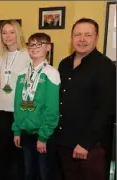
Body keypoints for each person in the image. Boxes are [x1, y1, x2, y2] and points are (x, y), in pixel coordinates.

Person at [57, 18, 116, 180]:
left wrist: (85, 143)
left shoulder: (106, 66)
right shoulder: (64, 64)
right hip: (64, 143)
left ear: (96, 37)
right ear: (72, 37)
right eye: (77, 34)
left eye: (87, 35)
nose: (82, 39)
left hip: (90, 147)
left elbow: (106, 109)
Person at [13, 33, 60, 180]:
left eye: (39, 44)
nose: (34, 48)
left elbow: (52, 109)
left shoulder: (51, 73)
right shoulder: (22, 74)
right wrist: (16, 129)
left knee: (44, 174)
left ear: (48, 47)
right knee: (28, 172)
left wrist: (43, 136)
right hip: (25, 132)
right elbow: (17, 104)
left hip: (42, 133)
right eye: (31, 44)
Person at [0, 19, 30, 180]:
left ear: (18, 33)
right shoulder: (0, 56)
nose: (7, 36)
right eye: (4, 32)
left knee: (20, 154)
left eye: (11, 32)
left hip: (20, 111)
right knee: (4, 154)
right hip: (2, 110)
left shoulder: (27, 54)